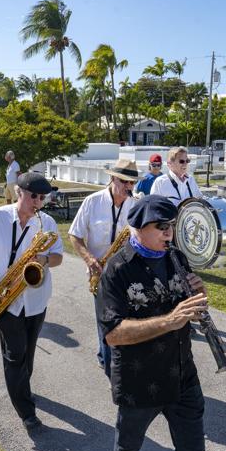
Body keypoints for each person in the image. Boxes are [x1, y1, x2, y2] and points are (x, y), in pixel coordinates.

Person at [97, 194, 209, 451]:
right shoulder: (117, 269)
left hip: (183, 376)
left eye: (171, 225)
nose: (168, 232)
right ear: (138, 228)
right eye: (160, 226)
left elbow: (190, 307)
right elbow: (112, 334)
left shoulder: (177, 257)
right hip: (141, 382)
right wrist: (170, 320)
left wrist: (200, 296)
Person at [0, 172, 63, 431]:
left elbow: (58, 257)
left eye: (43, 197)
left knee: (27, 354)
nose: (38, 202)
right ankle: (26, 412)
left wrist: (42, 260)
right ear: (18, 192)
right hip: (5, 300)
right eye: (34, 196)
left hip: (36, 300)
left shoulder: (47, 223)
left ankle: (22, 385)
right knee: (15, 355)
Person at [68, 158, 139, 376]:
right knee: (106, 322)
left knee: (126, 320)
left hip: (126, 272)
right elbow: (74, 235)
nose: (128, 187)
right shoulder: (92, 201)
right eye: (124, 182)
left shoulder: (134, 204)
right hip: (100, 271)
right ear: (112, 178)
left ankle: (109, 355)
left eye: (132, 183)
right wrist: (90, 260)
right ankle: (111, 369)